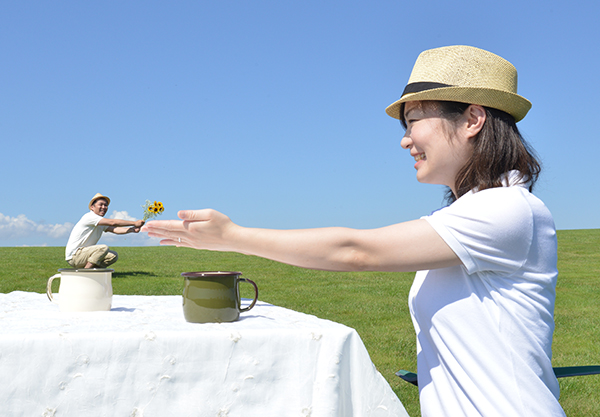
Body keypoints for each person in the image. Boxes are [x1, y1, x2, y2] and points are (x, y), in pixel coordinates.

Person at [142, 45, 565, 416]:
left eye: (413, 120)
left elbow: (355, 251)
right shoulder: (480, 212)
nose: (405, 140)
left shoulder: (507, 210)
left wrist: (232, 236)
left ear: (473, 118)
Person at [65, 193, 145, 269]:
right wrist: (134, 223)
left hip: (85, 254)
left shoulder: (99, 221)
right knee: (103, 248)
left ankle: (95, 273)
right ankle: (85, 272)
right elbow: (113, 223)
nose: (104, 207)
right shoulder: (90, 217)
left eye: (105, 205)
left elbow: (115, 229)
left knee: (113, 256)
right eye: (101, 204)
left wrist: (132, 230)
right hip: (75, 256)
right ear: (92, 207)